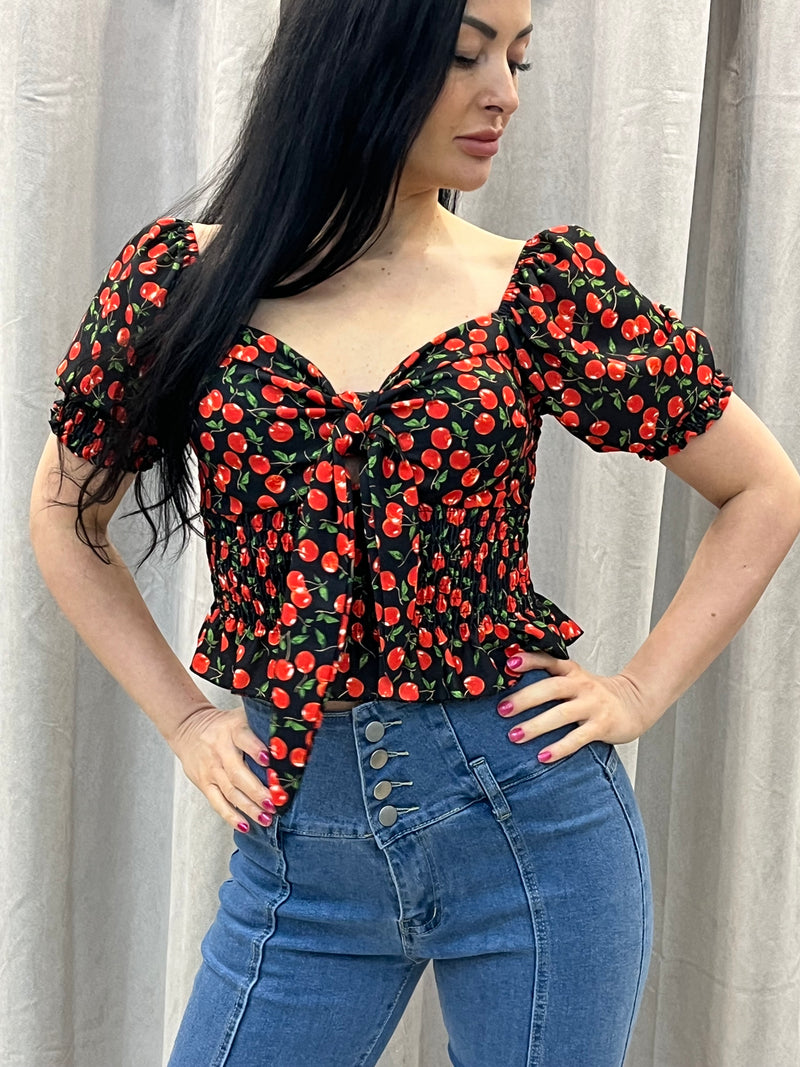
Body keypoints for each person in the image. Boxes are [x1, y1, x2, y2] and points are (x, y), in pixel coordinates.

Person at [29, 0, 800, 1064]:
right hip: (301, 856)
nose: (504, 95)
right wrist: (188, 722)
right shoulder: (180, 280)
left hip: (533, 836)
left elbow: (761, 488)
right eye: (466, 54)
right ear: (357, 53)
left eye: (517, 60)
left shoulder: (534, 292)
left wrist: (636, 690)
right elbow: (67, 516)